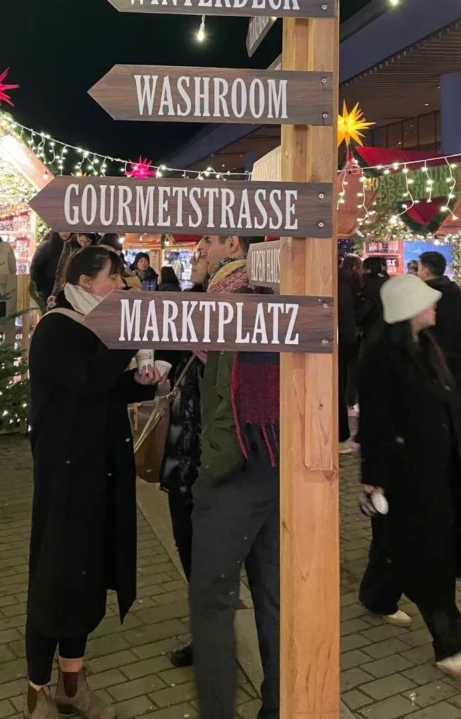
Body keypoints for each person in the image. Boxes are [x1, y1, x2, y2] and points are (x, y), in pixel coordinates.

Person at [25, 246, 162, 719]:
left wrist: (142, 383)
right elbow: (88, 378)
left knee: (88, 573)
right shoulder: (57, 327)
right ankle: (36, 687)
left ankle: (72, 683)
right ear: (85, 282)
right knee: (55, 572)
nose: (121, 285)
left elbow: (107, 387)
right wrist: (128, 329)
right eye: (113, 278)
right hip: (66, 471)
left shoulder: (95, 326)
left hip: (101, 466)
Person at [358, 274, 461, 678]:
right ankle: (452, 643)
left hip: (436, 467)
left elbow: (447, 405)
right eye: (428, 302)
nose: (436, 306)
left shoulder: (424, 344)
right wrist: (374, 476)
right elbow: (377, 419)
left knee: (394, 541)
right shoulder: (381, 354)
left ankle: (377, 596)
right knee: (429, 553)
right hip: (407, 471)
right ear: (409, 310)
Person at [190, 234, 280, 719]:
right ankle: (279, 706)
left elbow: (236, 404)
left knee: (212, 599)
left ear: (233, 245)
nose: (199, 250)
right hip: (280, 464)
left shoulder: (232, 299)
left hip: (241, 468)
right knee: (274, 599)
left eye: (208, 241)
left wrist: (213, 473)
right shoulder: (278, 297)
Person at [161, 241, 207, 669]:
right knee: (193, 550)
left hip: (196, 466)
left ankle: (208, 636)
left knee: (198, 550)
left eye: (205, 244)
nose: (198, 253)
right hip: (189, 463)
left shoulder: (209, 360)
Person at [418, 251, 461, 399]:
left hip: (433, 360)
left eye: (418, 269)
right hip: (458, 359)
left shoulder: (424, 295)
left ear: (425, 271)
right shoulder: (458, 294)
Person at [338, 254, 362, 453]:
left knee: (338, 383)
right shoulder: (351, 282)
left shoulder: (339, 281)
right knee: (345, 377)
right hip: (347, 338)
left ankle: (340, 433)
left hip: (339, 339)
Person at [357, 256, 389, 344]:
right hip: (385, 323)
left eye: (363, 267)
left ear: (368, 268)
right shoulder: (387, 281)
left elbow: (364, 306)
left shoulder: (365, 282)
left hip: (370, 323)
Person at [30, 232, 65, 307]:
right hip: (47, 290)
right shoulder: (46, 246)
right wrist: (39, 290)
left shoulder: (75, 246)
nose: (65, 232)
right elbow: (35, 269)